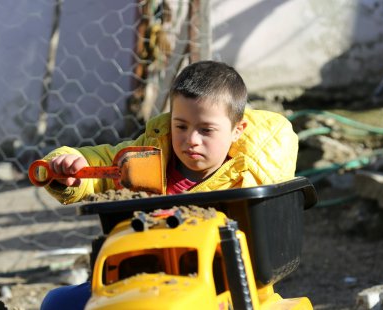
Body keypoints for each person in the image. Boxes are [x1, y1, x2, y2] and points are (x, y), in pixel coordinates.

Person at [39, 60, 298, 309]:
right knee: (57, 302)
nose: (191, 139)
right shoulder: (150, 156)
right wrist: (75, 168)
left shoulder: (249, 176)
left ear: (237, 130)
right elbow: (107, 166)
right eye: (181, 126)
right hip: (140, 279)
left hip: (221, 288)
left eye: (206, 130)